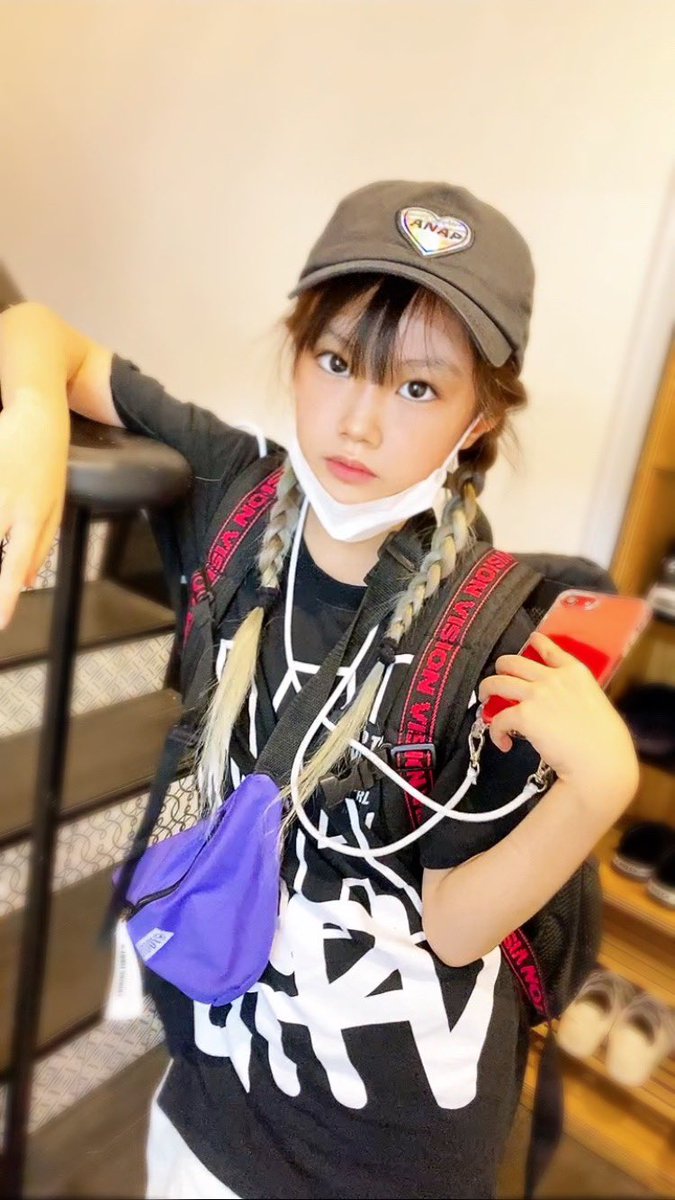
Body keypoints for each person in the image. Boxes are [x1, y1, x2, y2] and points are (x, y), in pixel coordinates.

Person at [0, 180, 638, 1200]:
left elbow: (458, 925)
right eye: (337, 362)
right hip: (215, 1087)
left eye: (418, 389)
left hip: (389, 1149)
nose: (360, 422)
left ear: (479, 419)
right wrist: (34, 418)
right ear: (297, 353)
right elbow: (39, 332)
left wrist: (599, 791)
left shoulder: (487, 632)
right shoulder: (238, 492)